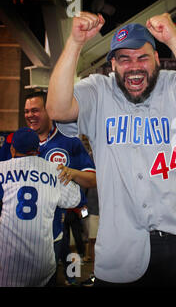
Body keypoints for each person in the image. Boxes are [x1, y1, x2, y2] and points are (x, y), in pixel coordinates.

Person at [46, 12, 176, 286]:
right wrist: (75, 42)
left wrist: (173, 39)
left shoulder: (174, 84)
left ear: (156, 61)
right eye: (124, 59)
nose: (134, 66)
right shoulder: (99, 90)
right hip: (120, 248)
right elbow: (57, 108)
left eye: (142, 57)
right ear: (113, 64)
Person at [0, 91, 96, 285]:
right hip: (15, 237)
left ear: (49, 111)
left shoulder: (70, 141)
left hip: (55, 231)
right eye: (27, 111)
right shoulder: (15, 140)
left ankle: (72, 277)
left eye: (35, 110)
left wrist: (70, 172)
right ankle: (72, 276)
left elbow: (92, 180)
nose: (29, 115)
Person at [0, 128, 81, 286]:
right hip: (43, 263)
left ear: (12, 149)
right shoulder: (54, 170)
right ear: (38, 150)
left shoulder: (2, 168)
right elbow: (75, 199)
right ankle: (72, 277)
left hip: (8, 262)